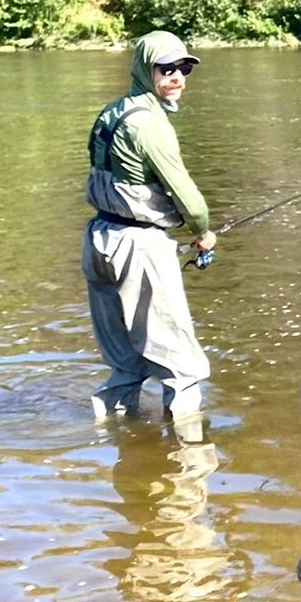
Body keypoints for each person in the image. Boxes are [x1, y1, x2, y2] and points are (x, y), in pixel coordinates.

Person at [83, 29, 215, 437]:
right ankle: (190, 460)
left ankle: (117, 443)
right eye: (167, 68)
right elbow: (186, 194)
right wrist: (203, 231)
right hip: (138, 246)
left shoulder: (112, 112)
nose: (177, 77)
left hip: (100, 239)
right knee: (182, 367)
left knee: (126, 364)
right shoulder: (150, 126)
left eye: (184, 68)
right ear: (146, 69)